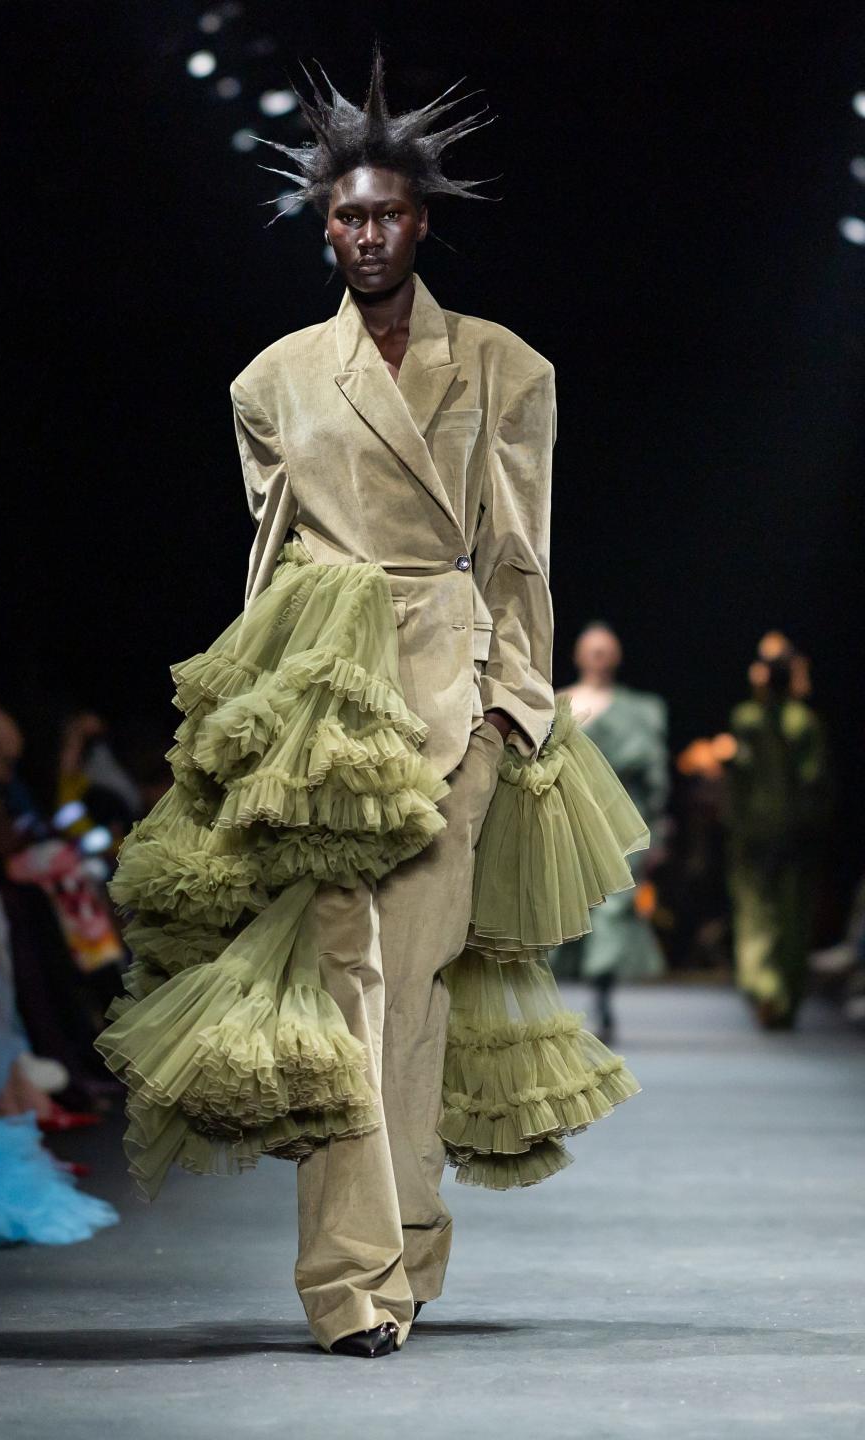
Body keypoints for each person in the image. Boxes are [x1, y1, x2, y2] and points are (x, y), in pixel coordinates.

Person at [96, 50, 646, 1359]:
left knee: (417, 983)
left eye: (386, 212)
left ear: (421, 220)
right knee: (351, 972)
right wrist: (246, 719)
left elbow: (522, 552)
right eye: (345, 214)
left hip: (449, 687)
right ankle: (351, 1283)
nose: (365, 232)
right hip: (328, 704)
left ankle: (406, 1245)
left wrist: (518, 694)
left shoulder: (505, 367)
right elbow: (270, 557)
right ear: (324, 225)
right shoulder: (274, 380)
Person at [559, 624, 669, 1041]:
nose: (600, 658)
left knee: (614, 908)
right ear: (578, 656)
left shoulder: (642, 711)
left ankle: (602, 993)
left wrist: (657, 828)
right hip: (570, 818)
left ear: (617, 657)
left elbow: (655, 773)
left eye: (607, 650)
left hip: (624, 819)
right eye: (593, 650)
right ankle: (565, 1002)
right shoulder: (558, 704)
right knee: (571, 908)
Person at [725, 636, 831, 1029]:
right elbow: (816, 783)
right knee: (791, 916)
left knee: (757, 913)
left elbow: (740, 781)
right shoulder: (801, 722)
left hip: (758, 832)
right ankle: (783, 995)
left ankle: (765, 986)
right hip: (792, 833)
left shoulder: (749, 719)